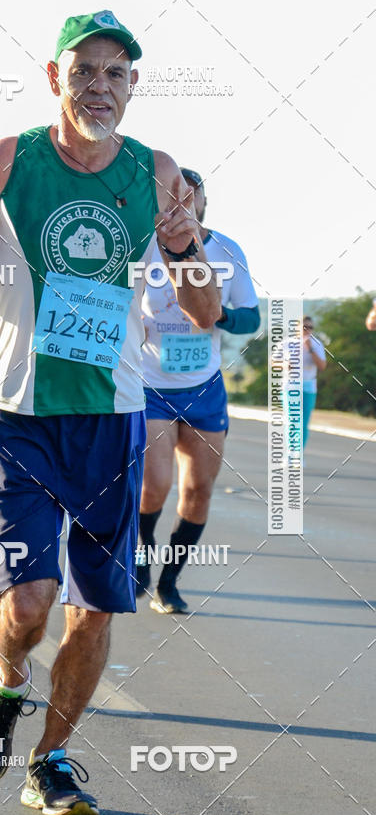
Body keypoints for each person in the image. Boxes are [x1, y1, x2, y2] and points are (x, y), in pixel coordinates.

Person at [0, 11, 220, 815]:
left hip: (112, 420)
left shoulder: (158, 172)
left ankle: (50, 762)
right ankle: (7, 682)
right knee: (27, 607)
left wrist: (186, 247)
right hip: (21, 416)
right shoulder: (10, 158)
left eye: (116, 74)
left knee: (93, 607)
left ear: (133, 87)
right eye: (85, 70)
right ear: (56, 78)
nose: (100, 87)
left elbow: (205, 311)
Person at [138, 167, 260, 613]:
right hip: (151, 384)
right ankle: (140, 560)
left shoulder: (227, 250)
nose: (180, 207)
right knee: (155, 484)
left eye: (189, 199)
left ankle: (169, 584)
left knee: (199, 490)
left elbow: (251, 319)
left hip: (204, 386)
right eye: (170, 199)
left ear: (203, 203)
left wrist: (214, 313)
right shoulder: (144, 248)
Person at [302, 315, 326, 448]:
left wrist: (310, 349)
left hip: (309, 386)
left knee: (304, 422)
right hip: (290, 386)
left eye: (310, 327)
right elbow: (273, 361)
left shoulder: (316, 344)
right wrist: (284, 364)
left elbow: (322, 366)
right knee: (292, 420)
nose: (307, 330)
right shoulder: (287, 343)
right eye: (304, 327)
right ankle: (290, 453)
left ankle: (298, 455)